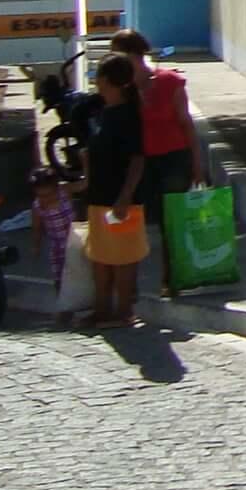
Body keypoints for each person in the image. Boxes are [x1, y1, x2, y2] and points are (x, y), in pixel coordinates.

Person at [110, 31, 201, 296]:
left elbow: (186, 124)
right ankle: (128, 283)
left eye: (117, 53)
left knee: (170, 221)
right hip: (141, 162)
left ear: (134, 54)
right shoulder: (125, 89)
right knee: (134, 220)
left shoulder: (169, 82)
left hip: (174, 159)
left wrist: (197, 163)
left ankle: (171, 278)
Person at [82, 55, 148, 327]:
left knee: (122, 258)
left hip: (121, 200)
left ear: (108, 81)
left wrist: (125, 195)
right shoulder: (102, 111)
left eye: (98, 76)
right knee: (100, 256)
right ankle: (101, 311)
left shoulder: (128, 115)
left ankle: (123, 312)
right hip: (98, 196)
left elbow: (137, 159)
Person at [30, 164, 78, 330]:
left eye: (49, 194)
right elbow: (37, 228)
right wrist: (36, 246)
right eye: (41, 196)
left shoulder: (65, 192)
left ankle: (84, 303)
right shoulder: (37, 207)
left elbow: (85, 184)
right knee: (59, 278)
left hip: (74, 240)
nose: (46, 199)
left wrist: (85, 162)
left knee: (79, 272)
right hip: (57, 245)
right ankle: (64, 307)